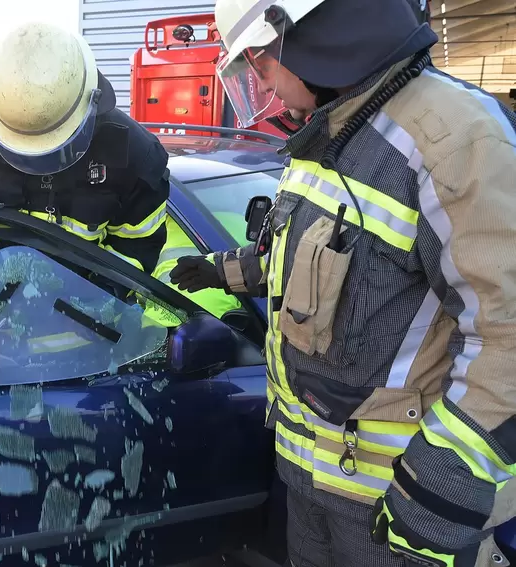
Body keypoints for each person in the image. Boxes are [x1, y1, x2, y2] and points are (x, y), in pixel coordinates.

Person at [171, 0, 516, 565]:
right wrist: (224, 271)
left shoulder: (454, 137)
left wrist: (435, 496)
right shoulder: (330, 129)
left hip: (390, 507)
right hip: (309, 479)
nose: (260, 82)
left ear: (314, 31)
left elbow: (507, 340)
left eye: (258, 61)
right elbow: (310, 259)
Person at [0, 21, 170, 275]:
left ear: (90, 105)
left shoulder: (134, 153)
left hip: (83, 305)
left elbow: (138, 250)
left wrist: (98, 296)